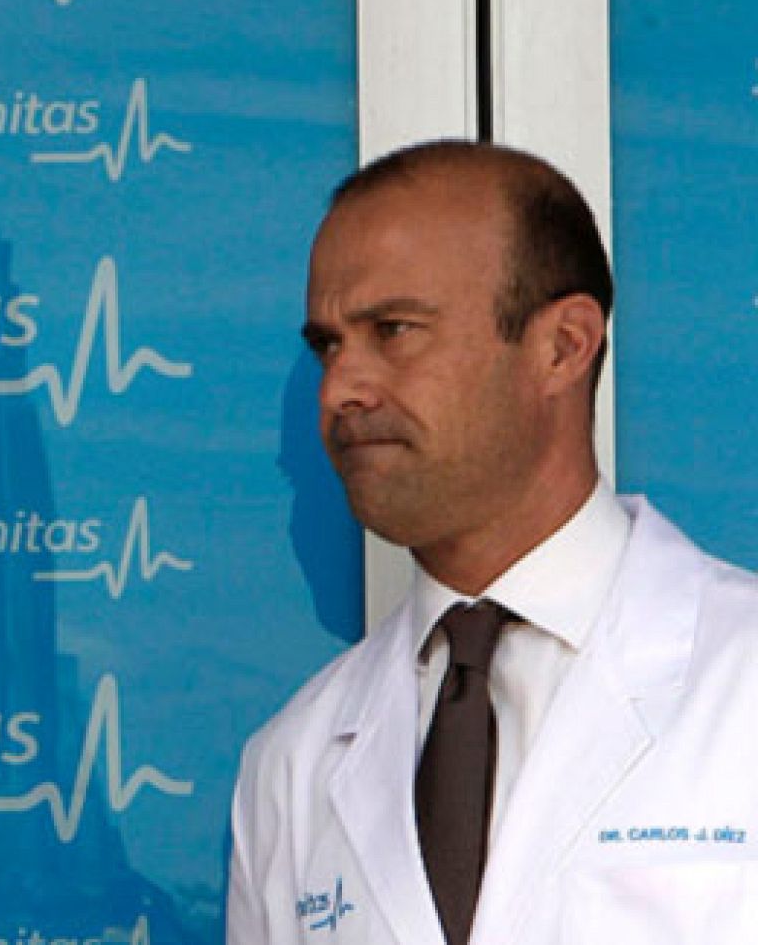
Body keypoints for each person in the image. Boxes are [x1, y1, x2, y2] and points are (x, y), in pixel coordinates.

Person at [226, 140, 758, 944]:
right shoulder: (290, 768)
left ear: (563, 345)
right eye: (328, 345)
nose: (340, 389)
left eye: (393, 329)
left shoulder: (738, 673)